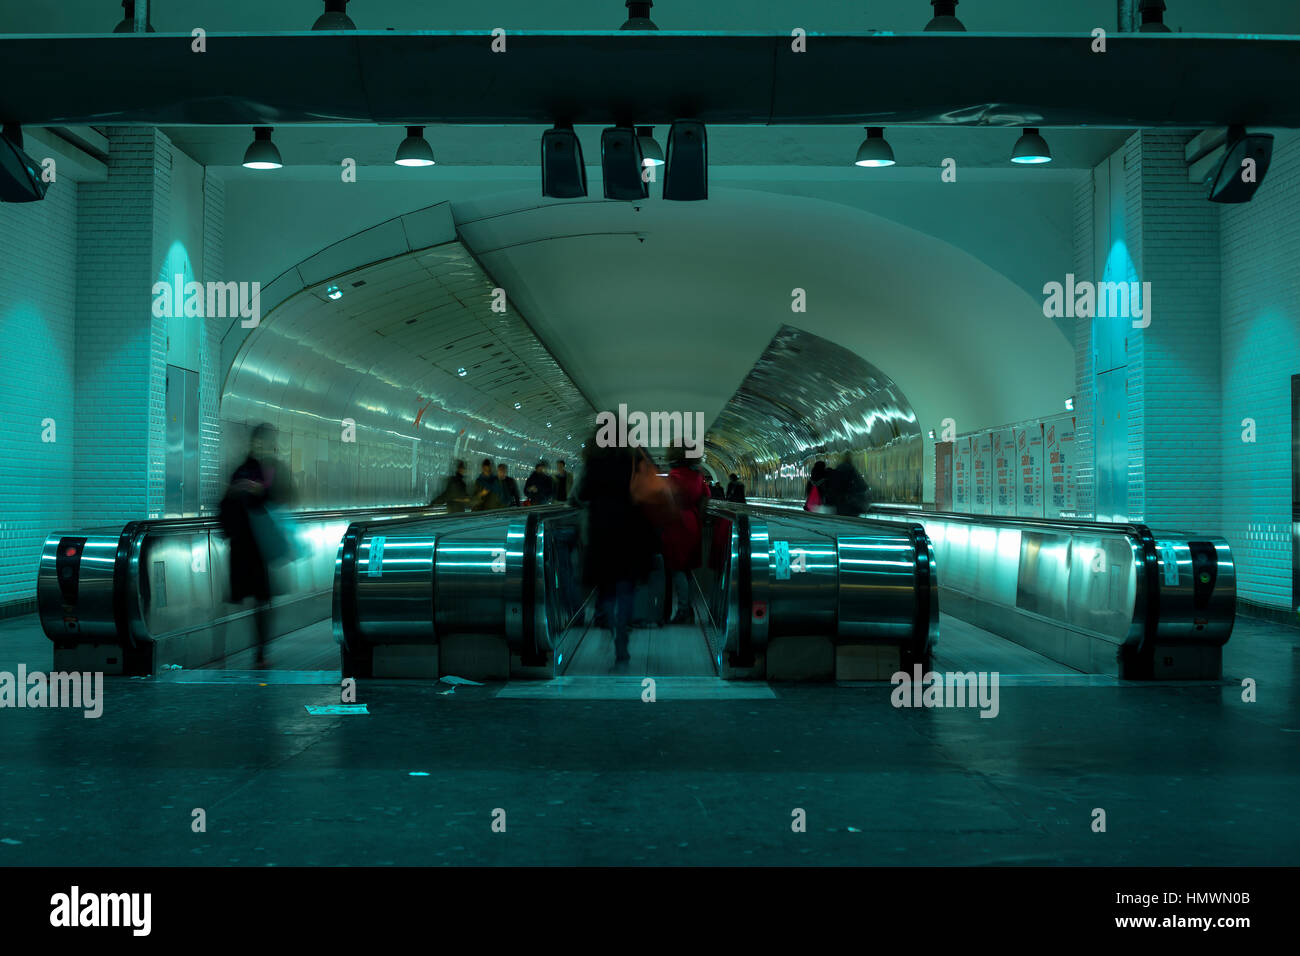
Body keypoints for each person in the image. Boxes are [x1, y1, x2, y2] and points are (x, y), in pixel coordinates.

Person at [576, 437, 654, 670]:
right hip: (631, 532)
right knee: (627, 587)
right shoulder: (635, 456)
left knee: (607, 590)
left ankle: (612, 630)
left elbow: (582, 493)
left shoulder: (595, 461)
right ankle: (622, 637)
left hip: (602, 534)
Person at [217, 423, 290, 668]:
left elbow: (282, 497)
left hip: (251, 548)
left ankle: (255, 652)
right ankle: (251, 653)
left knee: (255, 598)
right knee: (257, 599)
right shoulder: (249, 471)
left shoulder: (267, 470)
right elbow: (228, 503)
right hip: (248, 547)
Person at [661, 447, 708, 624]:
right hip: (693, 521)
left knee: (676, 568)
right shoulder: (698, 475)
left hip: (676, 524)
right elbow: (705, 497)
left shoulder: (674, 475)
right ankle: (688, 609)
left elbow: (666, 501)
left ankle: (683, 611)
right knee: (687, 569)